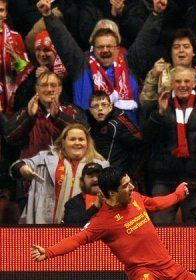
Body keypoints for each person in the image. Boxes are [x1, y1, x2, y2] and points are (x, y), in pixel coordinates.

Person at [30, 167, 196, 280]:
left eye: (130, 182)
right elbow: (77, 239)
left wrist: (177, 194)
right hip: (144, 273)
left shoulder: (135, 198)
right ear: (112, 193)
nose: (132, 187)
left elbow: (156, 203)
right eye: (126, 186)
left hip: (172, 269)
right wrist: (48, 252)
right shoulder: (101, 221)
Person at [36, 0, 169, 125]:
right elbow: (64, 42)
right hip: (88, 138)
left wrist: (156, 14)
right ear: (93, 48)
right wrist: (48, 16)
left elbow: (145, 40)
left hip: (127, 139)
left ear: (118, 48)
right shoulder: (81, 66)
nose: (105, 50)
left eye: (109, 46)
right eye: (100, 47)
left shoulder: (130, 64)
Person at [142, 66, 196, 224]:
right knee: (160, 225)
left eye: (187, 81)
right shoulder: (161, 102)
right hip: (164, 177)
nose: (183, 85)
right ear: (172, 83)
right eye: (178, 81)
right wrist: (159, 113)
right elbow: (146, 137)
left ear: (194, 83)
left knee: (195, 227)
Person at [10, 124, 108, 224]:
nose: (77, 143)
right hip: (46, 222)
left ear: (87, 143)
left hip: (84, 224)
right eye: (72, 139)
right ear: (63, 142)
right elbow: (16, 166)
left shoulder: (101, 165)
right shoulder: (45, 158)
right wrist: (22, 168)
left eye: (81, 139)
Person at [5, 72, 87, 159]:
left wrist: (58, 116)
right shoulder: (25, 112)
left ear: (60, 89)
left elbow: (85, 134)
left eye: (53, 85)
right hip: (33, 168)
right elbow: (9, 137)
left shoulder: (72, 110)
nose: (49, 89)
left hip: (66, 167)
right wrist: (28, 116)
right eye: (44, 85)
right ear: (37, 89)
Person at [10, 30, 69, 115]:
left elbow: (67, 102)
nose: (42, 54)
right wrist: (37, 81)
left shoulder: (67, 71)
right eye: (38, 50)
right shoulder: (31, 69)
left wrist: (51, 77)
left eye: (46, 50)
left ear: (55, 51)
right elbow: (18, 103)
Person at [87, 90, 142, 176]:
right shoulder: (89, 128)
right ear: (90, 110)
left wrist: (131, 175)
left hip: (118, 177)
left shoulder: (119, 123)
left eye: (104, 105)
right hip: (98, 175)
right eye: (96, 106)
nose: (100, 108)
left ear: (110, 107)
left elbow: (140, 145)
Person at [0, 0, 29, 112]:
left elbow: (25, 74)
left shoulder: (15, 38)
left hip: (9, 99)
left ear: (6, 14)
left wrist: (16, 59)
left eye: (1, 10)